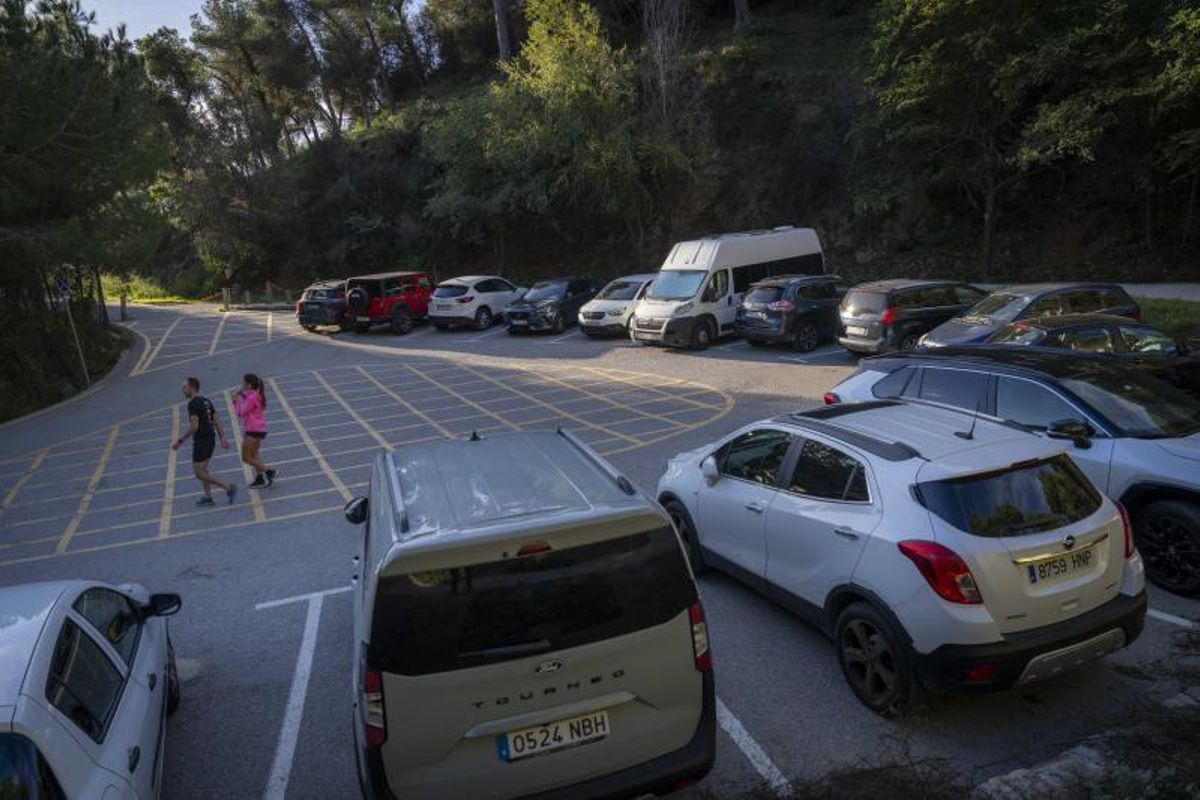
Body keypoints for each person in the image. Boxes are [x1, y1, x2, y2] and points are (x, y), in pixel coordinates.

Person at [172, 377, 237, 506]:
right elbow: (216, 419)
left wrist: (180, 440)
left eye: (184, 387)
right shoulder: (206, 401)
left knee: (199, 473)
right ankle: (208, 497)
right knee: (204, 470)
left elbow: (194, 426)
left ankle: (228, 487)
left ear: (192, 387)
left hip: (201, 440)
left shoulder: (193, 404)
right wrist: (222, 437)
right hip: (210, 438)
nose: (182, 390)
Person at [233, 373, 276, 487]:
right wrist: (242, 394)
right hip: (259, 429)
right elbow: (249, 400)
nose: (242, 384)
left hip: (253, 429)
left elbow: (241, 413)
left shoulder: (252, 397)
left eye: (244, 382)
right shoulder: (256, 394)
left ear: (249, 385)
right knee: (254, 455)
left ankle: (269, 472)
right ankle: (260, 478)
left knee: (246, 457)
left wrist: (235, 402)